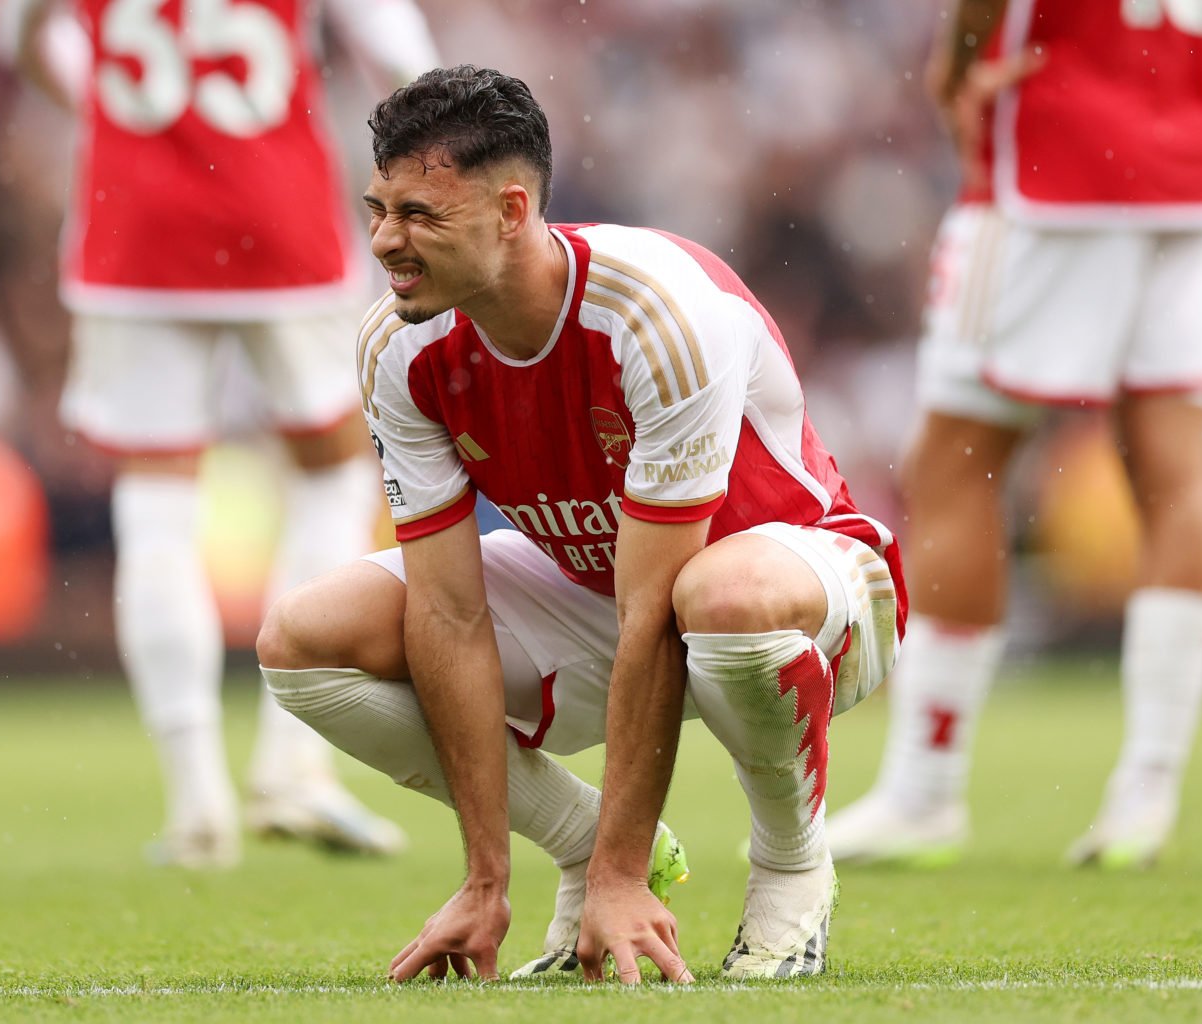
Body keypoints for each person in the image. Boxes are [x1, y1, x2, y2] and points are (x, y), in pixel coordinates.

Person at [255, 65, 907, 982]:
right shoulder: (397, 343)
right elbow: (447, 614)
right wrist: (489, 876)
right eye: (379, 209)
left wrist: (621, 878)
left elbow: (657, 613)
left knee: (718, 595)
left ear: (513, 211)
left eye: (420, 216)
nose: (386, 243)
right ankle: (572, 837)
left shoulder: (657, 313)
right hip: (609, 585)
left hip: (809, 591)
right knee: (304, 640)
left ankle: (791, 869)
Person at [827, 0, 1202, 870]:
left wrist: (956, 62)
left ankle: (926, 790)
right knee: (1175, 472)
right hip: (1185, 161)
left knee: (957, 462)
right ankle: (1146, 793)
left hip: (1057, 153)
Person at [0, 0, 440, 868]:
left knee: (156, 500)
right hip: (278, 214)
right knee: (335, 473)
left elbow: (19, 38)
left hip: (135, 223)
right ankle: (294, 761)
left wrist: (114, 104)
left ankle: (196, 797)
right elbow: (402, 58)